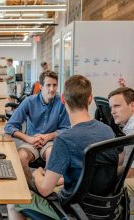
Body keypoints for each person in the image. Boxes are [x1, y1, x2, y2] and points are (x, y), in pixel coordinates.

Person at [8, 75, 118, 219]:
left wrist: (37, 174)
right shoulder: (108, 131)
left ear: (63, 99)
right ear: (90, 99)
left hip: (71, 210)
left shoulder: (64, 140)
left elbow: (45, 190)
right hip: (103, 208)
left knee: (13, 200)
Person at [5, 70, 70, 181]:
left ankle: (46, 186)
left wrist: (47, 137)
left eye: (54, 85)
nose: (52, 89)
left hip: (50, 142)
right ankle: (32, 188)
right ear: (41, 87)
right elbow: (9, 126)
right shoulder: (29, 101)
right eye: (48, 85)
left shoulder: (61, 103)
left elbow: (67, 129)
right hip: (31, 140)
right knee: (20, 158)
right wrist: (28, 138)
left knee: (52, 155)